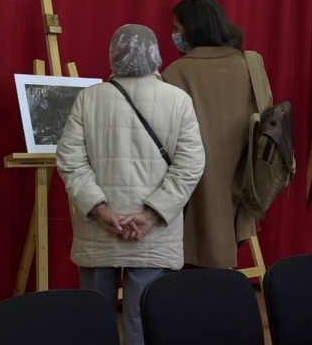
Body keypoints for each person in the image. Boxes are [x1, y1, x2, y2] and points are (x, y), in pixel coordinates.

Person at [56, 24, 205, 345]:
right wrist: (151, 215)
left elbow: (70, 160)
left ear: (113, 54)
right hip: (154, 232)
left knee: (95, 321)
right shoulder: (178, 100)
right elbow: (190, 165)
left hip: (99, 229)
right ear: (156, 55)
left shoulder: (88, 99)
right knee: (143, 323)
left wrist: (101, 211)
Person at [162, 0, 260, 269]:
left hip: (194, 184)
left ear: (192, 29)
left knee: (195, 260)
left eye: (177, 28)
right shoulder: (250, 64)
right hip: (245, 178)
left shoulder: (176, 72)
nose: (174, 35)